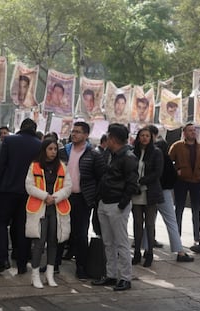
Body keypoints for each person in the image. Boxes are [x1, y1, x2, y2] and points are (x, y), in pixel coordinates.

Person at [92, 123, 138, 291]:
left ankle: (125, 277)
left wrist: (122, 204)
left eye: (109, 136)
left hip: (117, 204)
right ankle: (111, 275)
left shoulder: (128, 157)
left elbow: (132, 183)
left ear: (113, 139)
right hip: (104, 202)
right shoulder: (110, 154)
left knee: (121, 242)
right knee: (108, 242)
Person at [58, 122, 106, 279]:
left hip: (83, 199)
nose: (74, 134)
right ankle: (55, 263)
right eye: (73, 131)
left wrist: (94, 197)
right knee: (60, 230)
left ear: (86, 135)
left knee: (81, 233)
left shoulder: (94, 154)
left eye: (78, 132)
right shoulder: (63, 152)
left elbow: (101, 177)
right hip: (64, 196)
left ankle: (81, 266)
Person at [0, 118, 42, 275]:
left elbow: (1, 165)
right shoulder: (39, 145)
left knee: (1, 224)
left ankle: (3, 260)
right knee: (23, 227)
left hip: (7, 190)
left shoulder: (9, 140)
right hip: (29, 193)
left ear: (21, 127)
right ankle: (22, 263)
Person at [25, 138, 72, 288]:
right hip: (40, 207)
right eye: (50, 149)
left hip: (56, 208)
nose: (53, 152)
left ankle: (50, 275)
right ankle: (35, 275)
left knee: (54, 241)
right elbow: (29, 186)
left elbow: (68, 187)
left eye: (55, 149)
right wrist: (45, 196)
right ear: (44, 150)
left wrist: (55, 198)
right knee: (39, 242)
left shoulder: (62, 167)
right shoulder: (35, 166)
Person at [169, 123, 200, 245]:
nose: (193, 132)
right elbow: (168, 162)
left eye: (194, 130)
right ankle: (177, 238)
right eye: (190, 130)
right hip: (181, 182)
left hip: (197, 182)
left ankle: (196, 238)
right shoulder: (177, 146)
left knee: (196, 210)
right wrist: (176, 170)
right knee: (179, 209)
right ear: (184, 133)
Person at [131, 127, 164, 268]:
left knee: (150, 225)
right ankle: (137, 252)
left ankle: (149, 253)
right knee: (137, 224)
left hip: (150, 193)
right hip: (136, 193)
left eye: (147, 136)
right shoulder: (133, 152)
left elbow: (157, 173)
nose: (144, 138)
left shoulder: (156, 152)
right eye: (142, 135)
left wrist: (142, 181)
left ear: (151, 138)